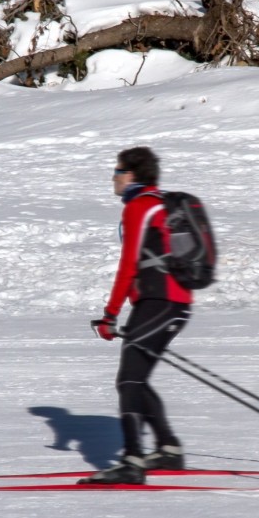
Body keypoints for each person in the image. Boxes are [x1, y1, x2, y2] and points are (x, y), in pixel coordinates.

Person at [80, 147, 193, 485]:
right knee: (136, 378)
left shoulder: (139, 207)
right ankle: (169, 450)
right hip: (169, 304)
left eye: (117, 171)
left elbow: (129, 264)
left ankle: (131, 459)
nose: (113, 178)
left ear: (131, 175)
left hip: (160, 304)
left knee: (128, 380)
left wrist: (110, 314)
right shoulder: (160, 203)